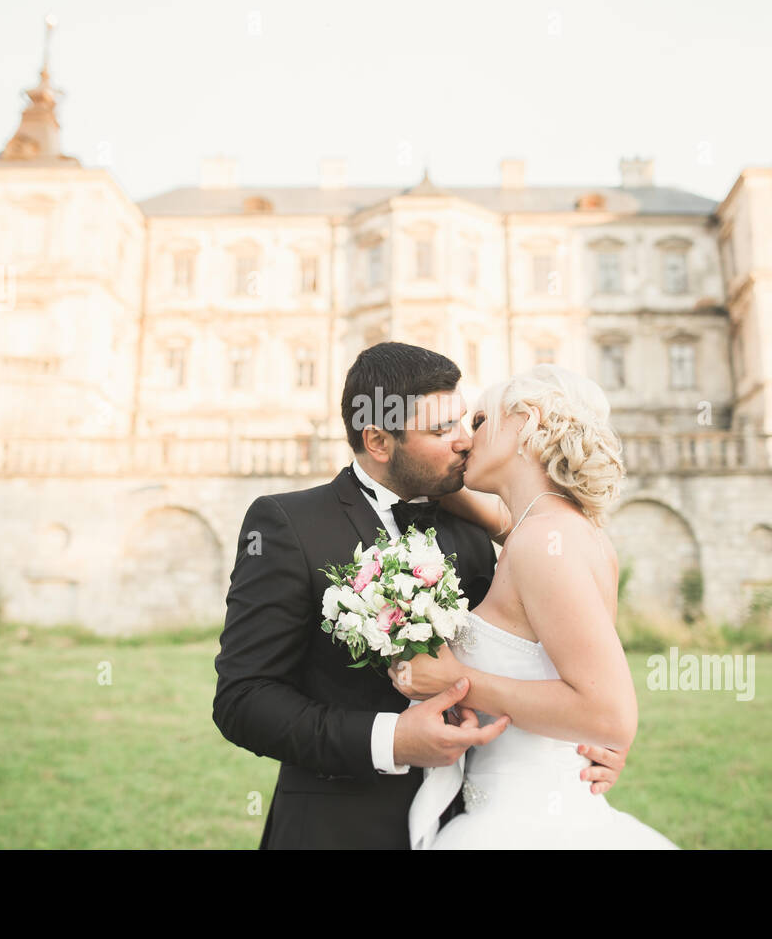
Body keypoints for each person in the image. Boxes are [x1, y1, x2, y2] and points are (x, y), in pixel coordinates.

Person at [212, 343, 627, 849]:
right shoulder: (288, 526)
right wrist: (391, 740)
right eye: (440, 430)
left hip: (475, 821)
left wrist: (584, 743)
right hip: (338, 831)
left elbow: (555, 658)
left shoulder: (481, 529)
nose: (464, 440)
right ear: (379, 441)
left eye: (465, 421)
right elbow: (244, 699)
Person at [391, 363, 680, 849]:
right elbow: (502, 517)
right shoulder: (557, 529)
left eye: (479, 421)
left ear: (525, 422)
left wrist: (457, 684)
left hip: (523, 826)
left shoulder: (545, 539)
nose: (464, 439)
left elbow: (608, 713)